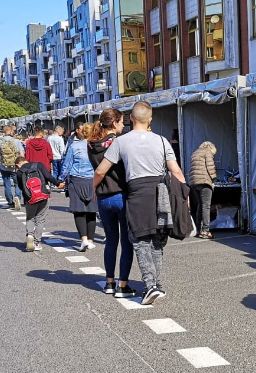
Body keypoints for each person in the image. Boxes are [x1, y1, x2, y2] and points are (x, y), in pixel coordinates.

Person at [93, 101, 187, 306]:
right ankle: (157, 284)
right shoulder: (162, 141)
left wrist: (94, 190)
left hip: (137, 194)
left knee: (140, 241)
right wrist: (184, 199)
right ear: (150, 119)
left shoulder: (121, 142)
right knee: (158, 241)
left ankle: (150, 285)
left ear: (131, 119)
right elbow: (176, 171)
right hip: (160, 193)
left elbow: (101, 171)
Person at [88, 108, 136, 298]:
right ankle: (122, 285)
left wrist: (94, 189)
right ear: (114, 122)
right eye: (122, 121)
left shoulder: (91, 144)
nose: (123, 125)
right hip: (121, 195)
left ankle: (109, 282)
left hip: (103, 197)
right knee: (126, 241)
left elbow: (98, 170)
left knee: (110, 241)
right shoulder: (119, 142)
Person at [59, 123, 98, 252]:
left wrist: (61, 179)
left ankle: (84, 239)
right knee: (92, 211)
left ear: (82, 133)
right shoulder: (97, 146)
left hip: (77, 180)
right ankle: (91, 240)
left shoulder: (74, 146)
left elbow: (67, 164)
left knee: (79, 211)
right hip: (93, 180)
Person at [15, 156, 62, 252]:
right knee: (40, 219)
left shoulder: (20, 172)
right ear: (26, 160)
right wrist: (58, 184)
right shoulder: (38, 165)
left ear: (18, 164)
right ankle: (37, 242)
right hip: (43, 195)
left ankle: (30, 235)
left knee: (30, 217)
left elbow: (21, 187)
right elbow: (48, 176)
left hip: (30, 198)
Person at [188, 141, 217, 239]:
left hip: (194, 183)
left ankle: (197, 229)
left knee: (200, 206)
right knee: (206, 206)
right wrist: (214, 179)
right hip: (204, 181)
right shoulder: (207, 152)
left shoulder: (195, 153)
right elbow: (210, 167)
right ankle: (205, 230)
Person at [1, 125, 25, 210]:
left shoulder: (1, 141)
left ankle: (10, 202)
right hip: (15, 166)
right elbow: (22, 154)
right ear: (11, 131)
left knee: (7, 184)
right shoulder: (17, 141)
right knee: (17, 183)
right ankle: (17, 197)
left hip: (4, 166)